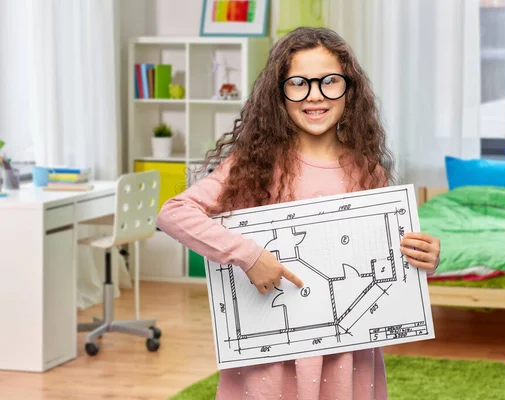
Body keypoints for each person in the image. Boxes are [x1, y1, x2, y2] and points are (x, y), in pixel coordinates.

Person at [157, 26, 441, 400]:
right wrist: (248, 255)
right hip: (272, 355)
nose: (315, 96)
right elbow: (174, 212)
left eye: (330, 82)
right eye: (299, 84)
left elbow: (384, 261)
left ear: (349, 90)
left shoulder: (368, 169)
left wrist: (423, 257)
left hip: (348, 350)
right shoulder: (254, 163)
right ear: (279, 93)